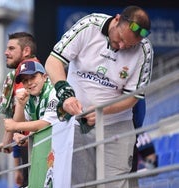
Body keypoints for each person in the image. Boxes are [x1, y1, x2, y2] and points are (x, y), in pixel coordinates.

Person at [44, 5, 154, 188]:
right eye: (119, 39)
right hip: (78, 122)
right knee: (80, 184)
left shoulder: (144, 50)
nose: (121, 46)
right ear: (117, 19)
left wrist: (104, 111)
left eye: (129, 45)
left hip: (117, 125)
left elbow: (134, 96)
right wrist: (66, 93)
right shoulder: (89, 25)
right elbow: (53, 61)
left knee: (116, 184)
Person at [4, 60, 59, 188]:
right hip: (47, 152)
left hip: (65, 148)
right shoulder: (31, 97)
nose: (29, 83)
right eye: (25, 80)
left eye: (33, 77)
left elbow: (46, 124)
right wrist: (20, 105)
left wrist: (15, 127)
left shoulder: (54, 91)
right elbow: (22, 124)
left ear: (44, 77)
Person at [0, 32, 38, 187]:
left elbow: (16, 122)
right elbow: (15, 122)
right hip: (27, 147)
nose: (6, 52)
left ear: (26, 51)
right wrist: (17, 168)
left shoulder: (25, 74)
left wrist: (6, 140)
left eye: (11, 48)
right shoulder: (14, 76)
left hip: (38, 145)